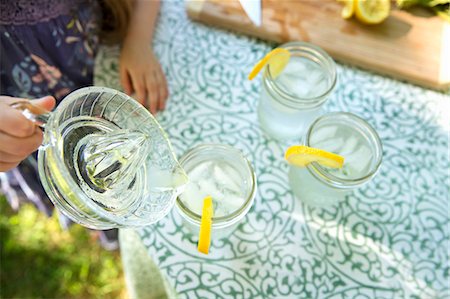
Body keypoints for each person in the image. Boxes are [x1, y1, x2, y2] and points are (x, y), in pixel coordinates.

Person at [0, 0, 169, 250]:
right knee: (77, 183)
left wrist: (138, 41)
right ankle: (103, 227)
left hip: (95, 53)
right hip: (15, 87)